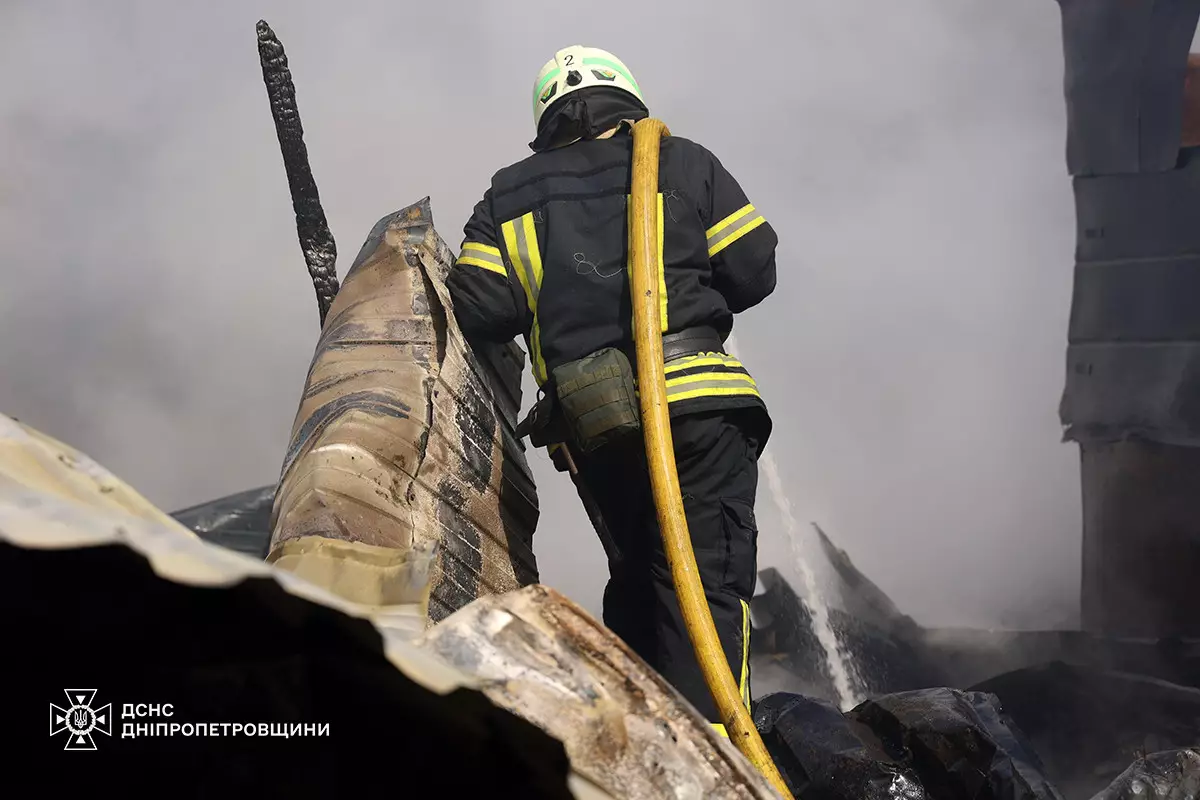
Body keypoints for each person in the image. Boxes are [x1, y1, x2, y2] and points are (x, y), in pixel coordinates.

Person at [446, 45, 778, 729]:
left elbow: (479, 305)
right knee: (704, 592)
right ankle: (714, 761)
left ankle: (638, 751)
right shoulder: (684, 162)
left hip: (600, 430)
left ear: (548, 117)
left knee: (640, 585)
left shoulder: (509, 192)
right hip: (700, 413)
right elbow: (753, 269)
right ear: (627, 100)